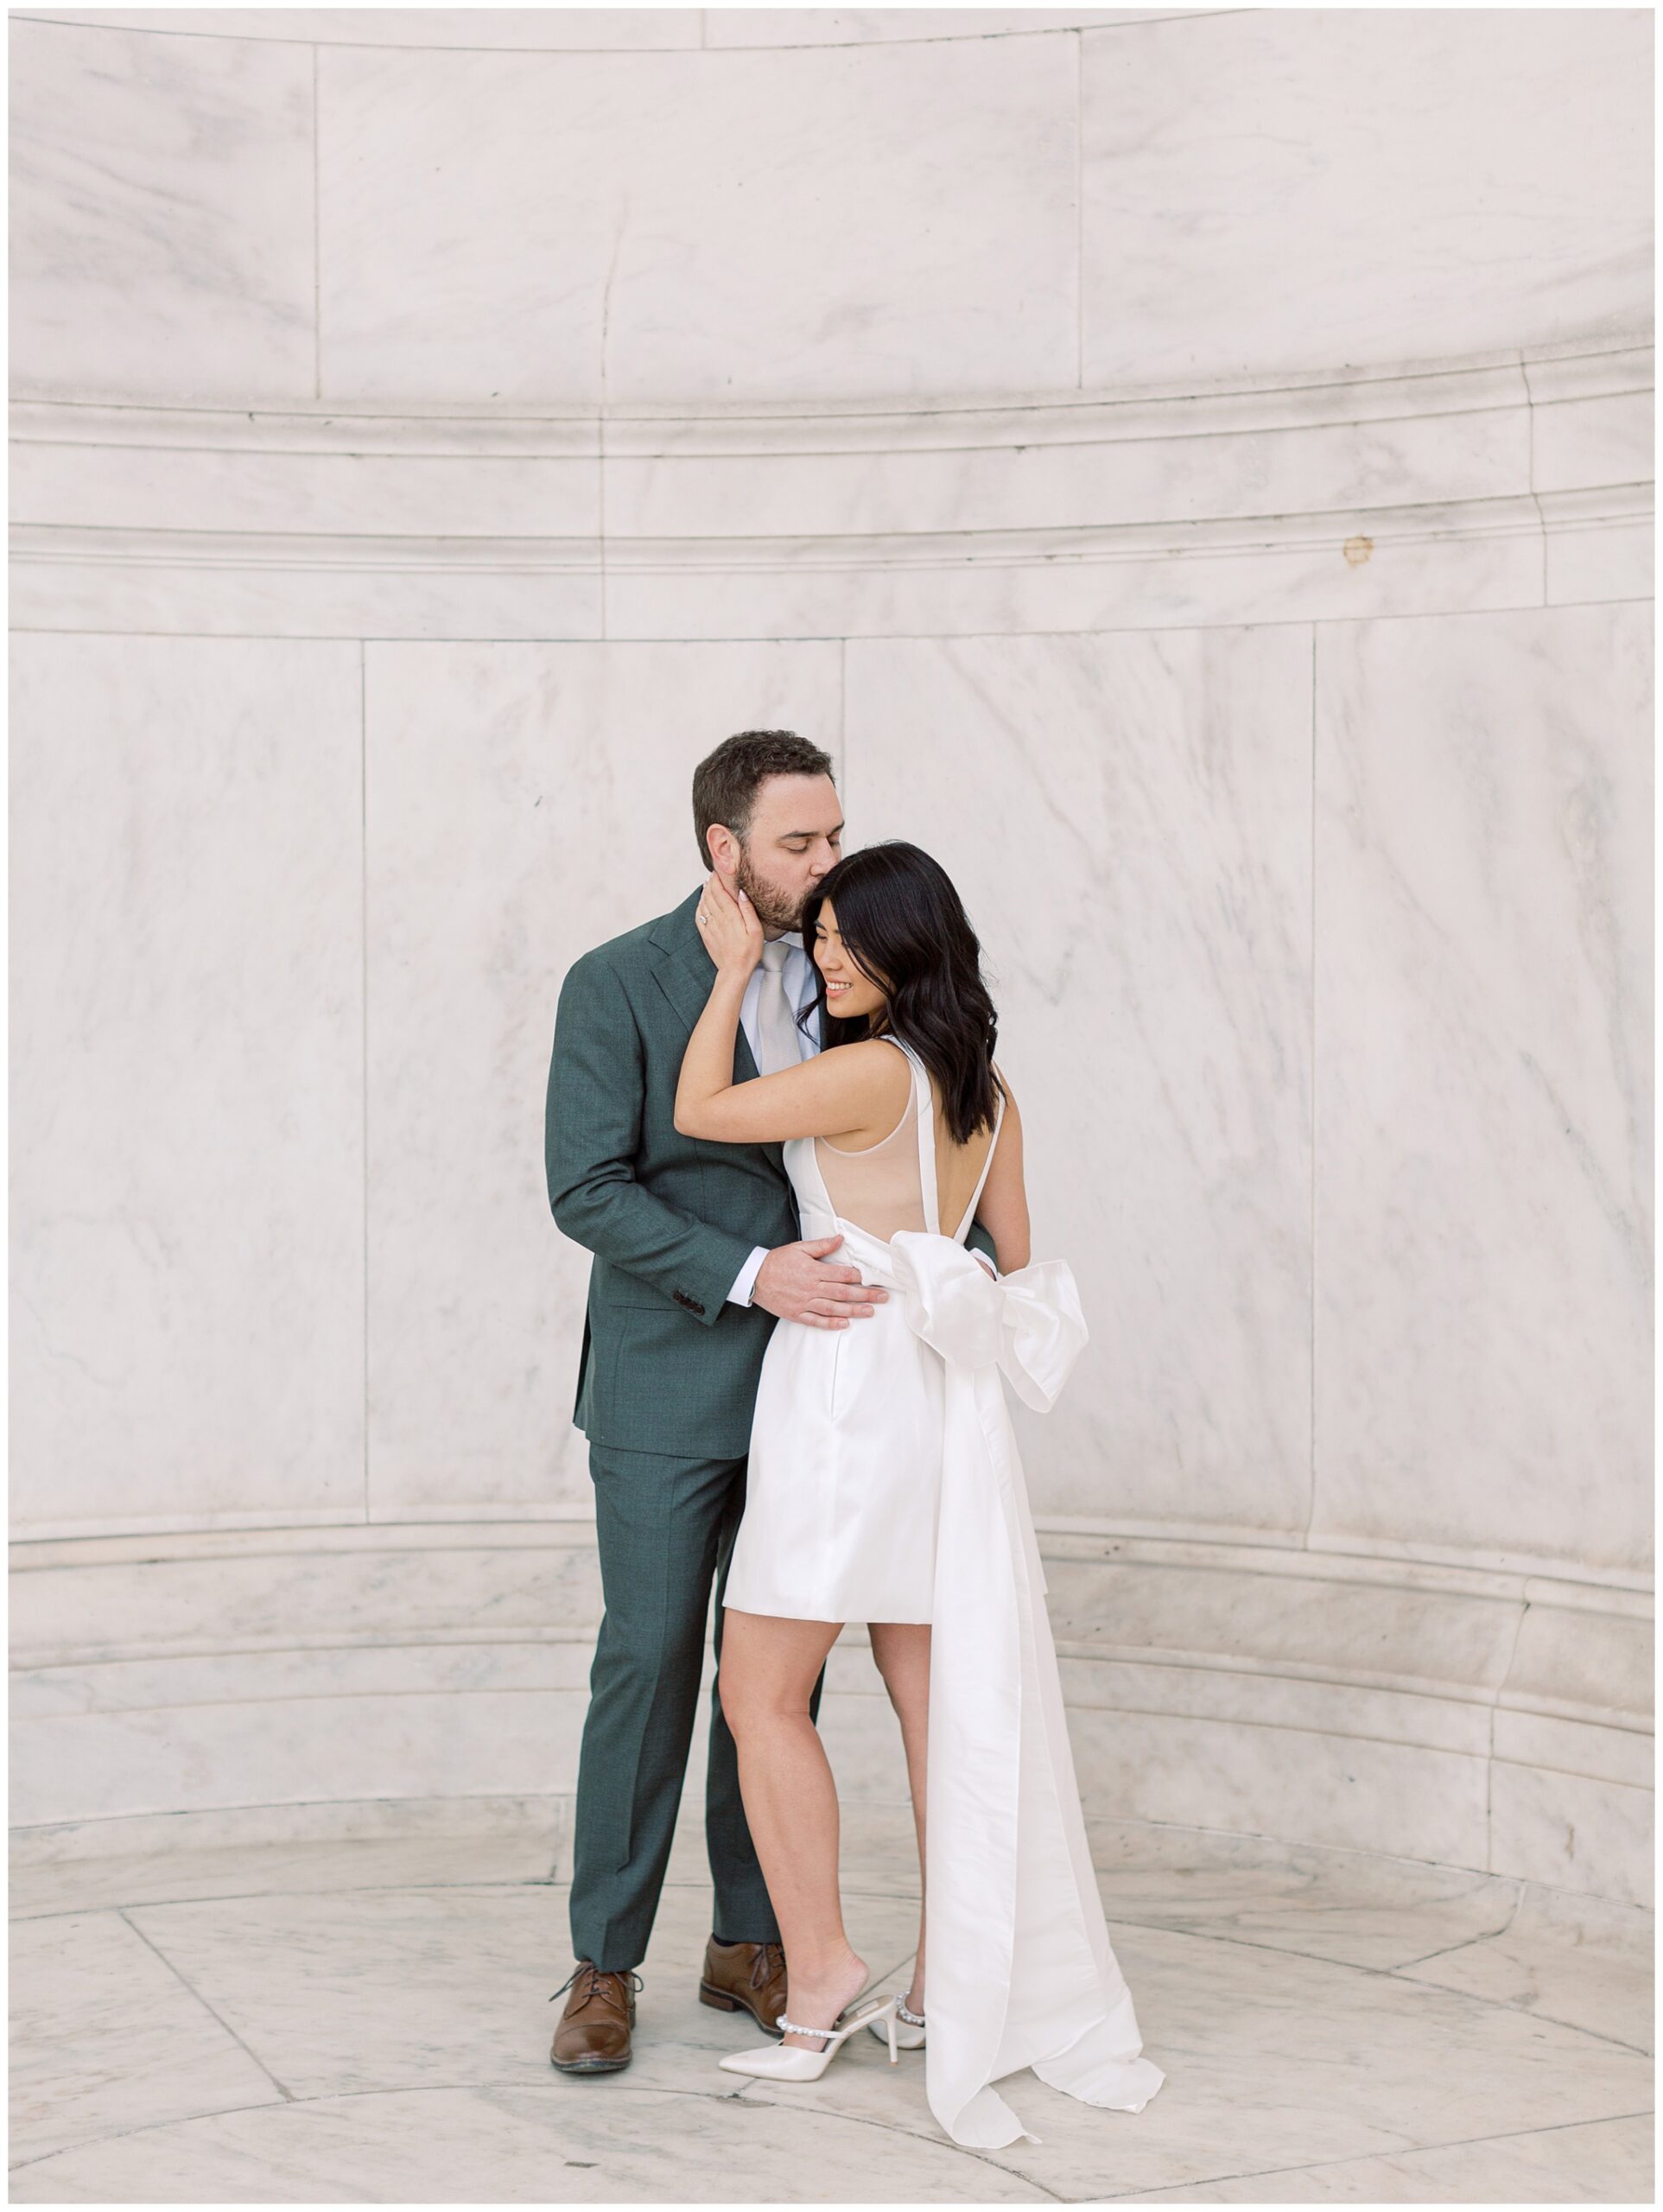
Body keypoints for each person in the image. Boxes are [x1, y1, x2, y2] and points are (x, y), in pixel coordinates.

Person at [671, 839, 1168, 2147]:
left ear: (902, 943)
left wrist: (730, 981)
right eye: (814, 935)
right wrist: (918, 1268)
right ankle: (958, 1984)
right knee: (938, 1698)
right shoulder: (985, 1089)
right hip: (944, 1398)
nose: (821, 955)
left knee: (759, 1690)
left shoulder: (858, 1072)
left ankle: (823, 1969)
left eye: (842, 937)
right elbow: (1005, 1254)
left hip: (842, 1389)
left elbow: (701, 1113)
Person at [542, 731, 1000, 2074]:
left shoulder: (858, 969)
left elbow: (922, 1146)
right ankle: (602, 1964)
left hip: (837, 1395)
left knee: (776, 1678)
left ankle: (756, 1944)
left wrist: (941, 1291)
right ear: (721, 849)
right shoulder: (615, 981)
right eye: (801, 842)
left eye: (836, 835)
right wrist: (750, 1275)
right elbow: (587, 1188)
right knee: (651, 1661)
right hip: (667, 1383)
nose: (827, 863)